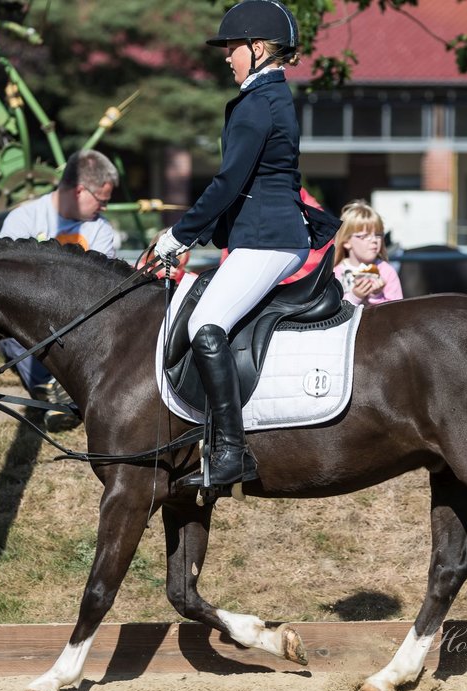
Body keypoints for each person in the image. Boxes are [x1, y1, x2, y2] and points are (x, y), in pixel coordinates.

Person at [154, 0, 325, 490]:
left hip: (269, 239)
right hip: (261, 236)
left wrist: (178, 236)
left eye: (231, 47)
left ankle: (232, 452)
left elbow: (228, 183)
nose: (226, 57)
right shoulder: (266, 98)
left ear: (256, 48)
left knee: (208, 323)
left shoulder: (259, 103)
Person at [0, 150, 120, 431]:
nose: (104, 208)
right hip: (32, 318)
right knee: (13, 330)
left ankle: (60, 393)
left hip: (79, 320)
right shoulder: (24, 220)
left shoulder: (99, 229)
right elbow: (9, 284)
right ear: (79, 190)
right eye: (102, 200)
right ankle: (59, 392)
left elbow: (99, 286)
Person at [332, 200, 403, 307]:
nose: (374, 240)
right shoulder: (334, 273)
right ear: (346, 242)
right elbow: (331, 311)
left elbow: (397, 311)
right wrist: (354, 297)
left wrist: (377, 296)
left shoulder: (387, 272)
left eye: (378, 235)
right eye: (365, 236)